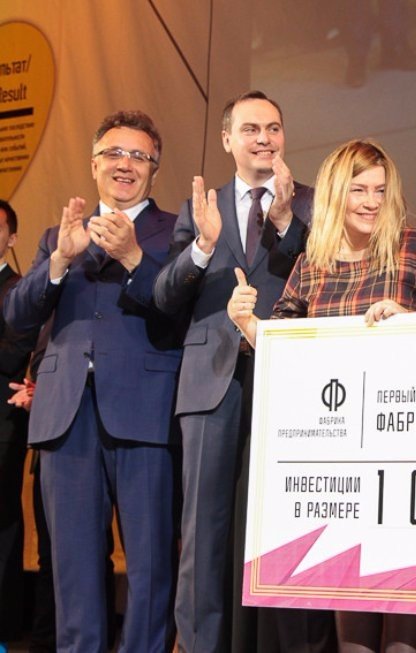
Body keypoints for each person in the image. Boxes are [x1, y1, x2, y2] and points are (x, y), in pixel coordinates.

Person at [228, 138, 416, 653]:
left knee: (405, 612)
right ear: (335, 194)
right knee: (352, 612)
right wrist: (246, 322)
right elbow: (281, 345)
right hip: (341, 461)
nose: (372, 202)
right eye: (359, 190)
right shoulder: (314, 262)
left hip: (407, 455)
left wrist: (409, 319)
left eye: (380, 190)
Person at [153, 90, 329, 653]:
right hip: (211, 381)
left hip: (288, 378)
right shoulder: (197, 210)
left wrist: (286, 223)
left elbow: (325, 276)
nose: (264, 138)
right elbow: (164, 296)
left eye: (273, 128)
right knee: (203, 531)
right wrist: (203, 247)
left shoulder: (311, 203)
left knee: (282, 525)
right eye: (251, 128)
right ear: (227, 138)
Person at [3, 110, 182, 652]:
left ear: (154, 169)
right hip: (66, 417)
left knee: (151, 566)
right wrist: (59, 260)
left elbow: (180, 311)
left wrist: (133, 258)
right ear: (93, 163)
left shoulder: (178, 230)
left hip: (146, 414)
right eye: (113, 153)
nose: (125, 164)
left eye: (139, 156)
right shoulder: (59, 236)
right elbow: (17, 318)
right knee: (73, 570)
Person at [0, 199, 36, 651]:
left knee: (3, 525)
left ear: (11, 238)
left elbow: (15, 352)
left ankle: (4, 630)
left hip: (3, 423)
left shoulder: (19, 289)